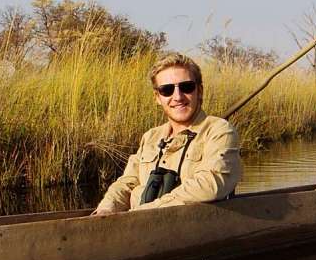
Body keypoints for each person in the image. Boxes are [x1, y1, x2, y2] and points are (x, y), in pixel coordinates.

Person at [93, 54, 243, 216]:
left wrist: (146, 211)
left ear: (199, 91)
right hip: (142, 224)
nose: (177, 97)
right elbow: (127, 182)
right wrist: (107, 209)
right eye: (167, 90)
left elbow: (212, 183)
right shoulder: (151, 136)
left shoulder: (220, 130)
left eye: (186, 87)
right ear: (157, 98)